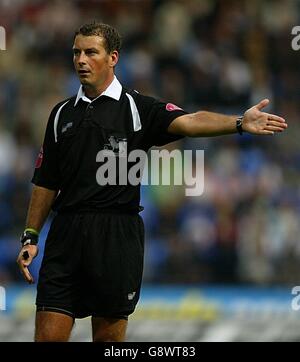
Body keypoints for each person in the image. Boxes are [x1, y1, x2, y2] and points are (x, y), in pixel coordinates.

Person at [16, 21, 287, 342]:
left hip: (117, 238)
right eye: (76, 52)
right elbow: (46, 182)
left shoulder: (137, 108)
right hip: (65, 237)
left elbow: (190, 121)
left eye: (91, 52)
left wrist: (239, 122)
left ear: (113, 58)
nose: (81, 60)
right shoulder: (61, 114)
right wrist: (31, 235)